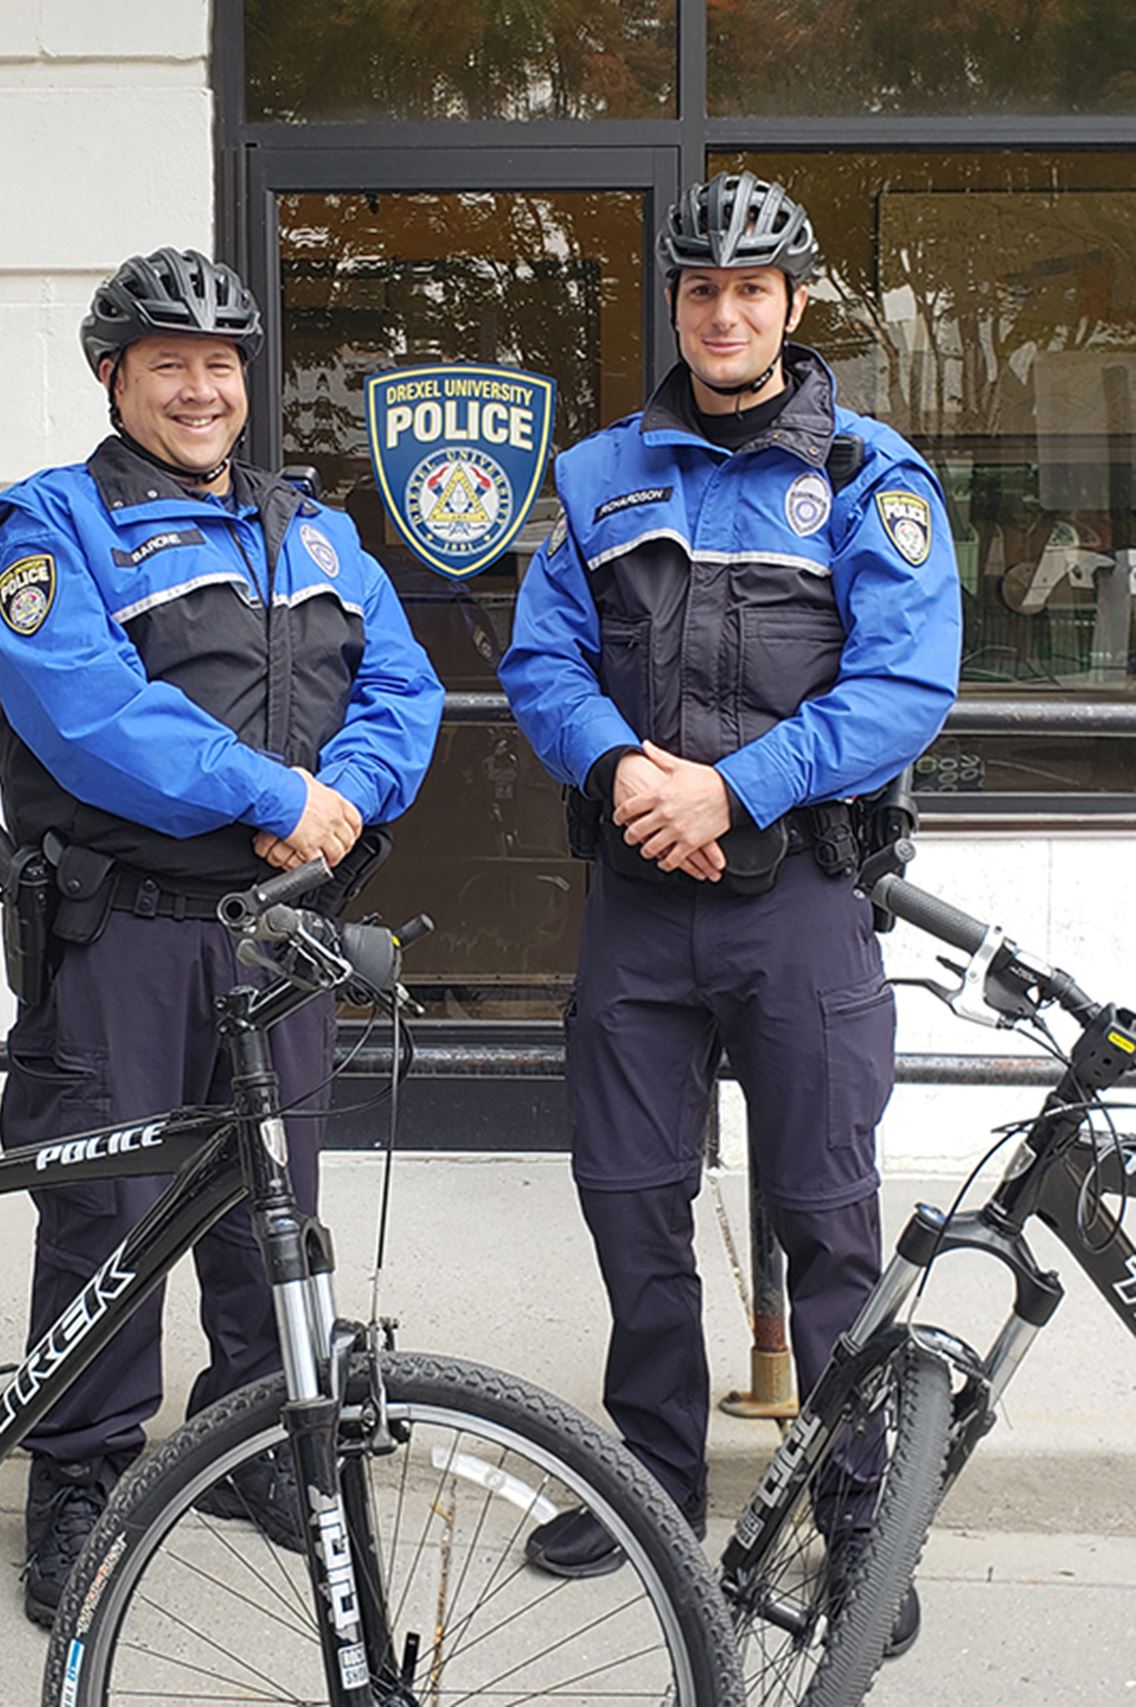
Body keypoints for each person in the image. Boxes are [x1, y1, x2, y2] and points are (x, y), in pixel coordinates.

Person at [0, 247, 444, 1625]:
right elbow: (90, 715)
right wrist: (279, 795)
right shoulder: (44, 527)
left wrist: (346, 800)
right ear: (114, 376)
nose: (200, 386)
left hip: (284, 938)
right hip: (128, 936)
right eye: (167, 361)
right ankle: (80, 1478)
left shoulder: (320, 530)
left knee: (270, 1199)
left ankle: (248, 1445)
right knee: (102, 1209)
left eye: (221, 362)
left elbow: (403, 683)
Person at [499, 172, 961, 1651]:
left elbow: (903, 687)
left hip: (804, 907)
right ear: (678, 304)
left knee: (826, 1226)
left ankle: (851, 1525)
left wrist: (734, 790)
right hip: (640, 907)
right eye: (701, 289)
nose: (725, 311)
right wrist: (626, 769)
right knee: (633, 1204)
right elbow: (542, 660)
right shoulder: (599, 474)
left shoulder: (876, 478)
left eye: (751, 290)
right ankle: (649, 1486)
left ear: (794, 306)